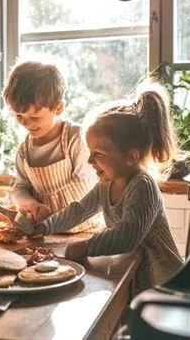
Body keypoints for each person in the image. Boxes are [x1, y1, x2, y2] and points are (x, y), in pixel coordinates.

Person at [31, 80, 184, 292]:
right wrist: (45, 227)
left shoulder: (142, 186)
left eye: (99, 154)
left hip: (167, 286)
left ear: (130, 157)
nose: (90, 161)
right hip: (140, 279)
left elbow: (127, 235)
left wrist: (86, 246)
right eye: (90, 152)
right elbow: (80, 210)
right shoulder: (106, 185)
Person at [3, 60, 105, 232]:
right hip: (47, 234)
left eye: (34, 117)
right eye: (19, 115)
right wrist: (31, 204)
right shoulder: (24, 151)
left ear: (58, 108)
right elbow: (19, 190)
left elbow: (91, 194)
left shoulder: (76, 139)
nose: (26, 123)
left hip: (85, 232)